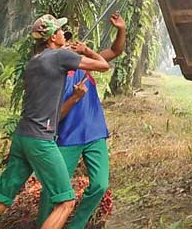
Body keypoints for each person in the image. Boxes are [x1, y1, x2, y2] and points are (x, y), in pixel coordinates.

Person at [0, 14, 110, 229]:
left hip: (22, 136)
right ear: (52, 37)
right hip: (40, 140)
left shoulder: (33, 62)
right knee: (65, 202)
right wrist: (85, 51)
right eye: (60, 31)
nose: (63, 35)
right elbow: (104, 66)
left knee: (1, 201)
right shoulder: (58, 57)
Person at [36, 12, 126, 229]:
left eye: (67, 36)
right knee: (54, 190)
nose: (67, 39)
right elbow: (54, 117)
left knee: (100, 185)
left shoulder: (84, 63)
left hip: (95, 134)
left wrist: (121, 29)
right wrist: (75, 98)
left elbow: (114, 52)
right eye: (61, 35)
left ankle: (75, 225)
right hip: (67, 138)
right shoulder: (50, 73)